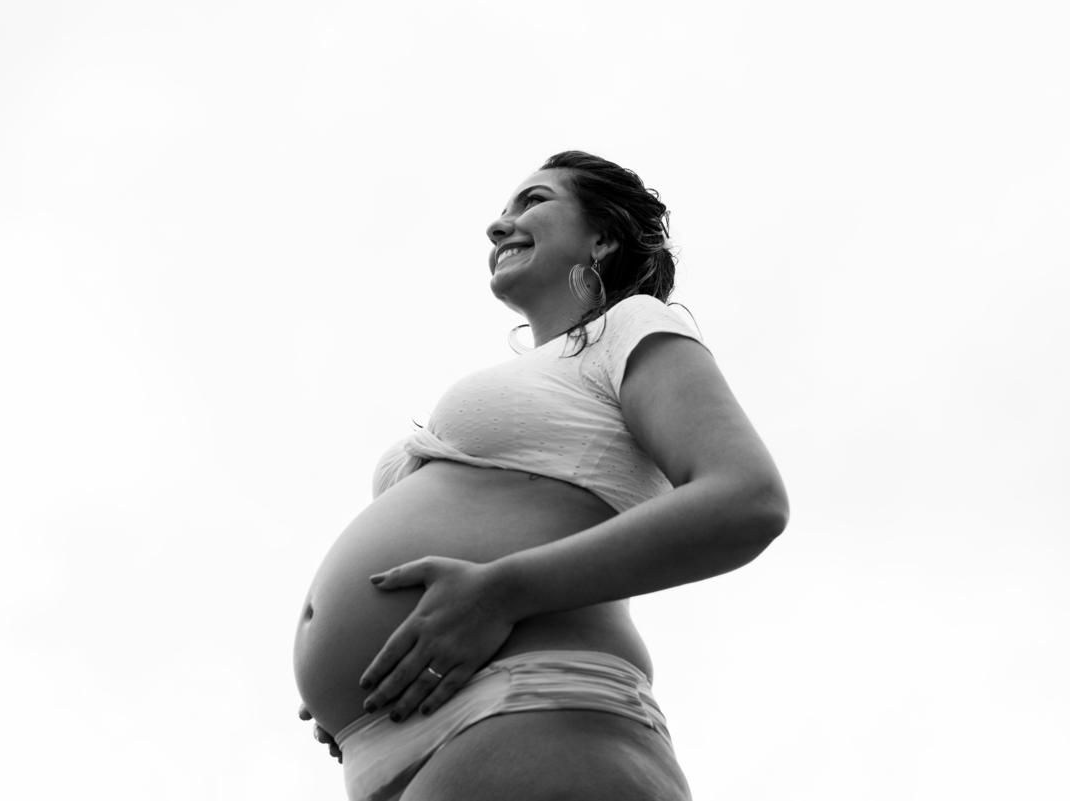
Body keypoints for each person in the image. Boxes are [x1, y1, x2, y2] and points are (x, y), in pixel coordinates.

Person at [294, 150, 789, 800]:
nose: (499, 225)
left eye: (534, 201)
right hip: (394, 744)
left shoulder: (629, 326)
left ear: (602, 238)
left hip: (533, 704)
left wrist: (499, 593)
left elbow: (746, 499)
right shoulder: (535, 376)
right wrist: (345, 683)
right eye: (502, 210)